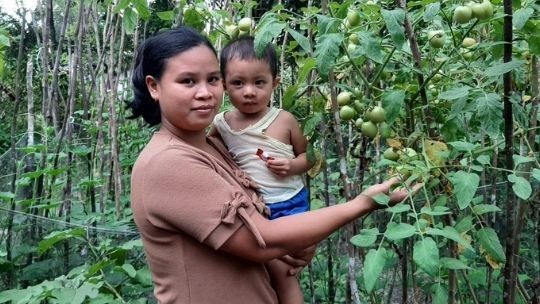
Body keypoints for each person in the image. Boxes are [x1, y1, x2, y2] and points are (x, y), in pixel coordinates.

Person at [129, 26, 419, 304]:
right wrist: (364, 203)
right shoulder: (167, 163)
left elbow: (265, 217)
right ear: (154, 87)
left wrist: (297, 237)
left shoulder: (214, 146)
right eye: (188, 81)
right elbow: (261, 241)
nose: (205, 92)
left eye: (213, 79)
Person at [209, 36, 313, 304]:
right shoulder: (221, 124)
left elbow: (309, 158)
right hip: (256, 209)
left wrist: (292, 165)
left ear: (275, 83)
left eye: (259, 83)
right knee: (262, 271)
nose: (249, 92)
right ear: (223, 85)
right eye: (238, 83)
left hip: (290, 202)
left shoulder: (284, 120)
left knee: (285, 272)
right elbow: (206, 150)